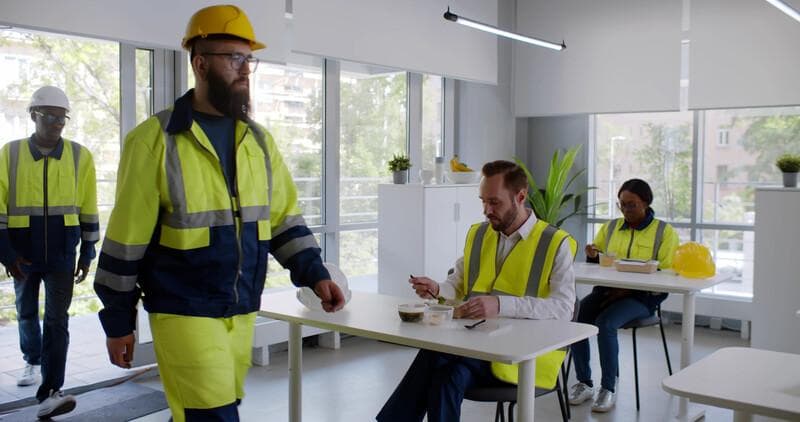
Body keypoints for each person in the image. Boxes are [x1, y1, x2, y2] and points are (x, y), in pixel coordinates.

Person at [93, 5, 345, 421]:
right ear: (200, 64)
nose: (245, 70)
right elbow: (126, 240)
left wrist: (316, 274)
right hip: (183, 309)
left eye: (249, 59)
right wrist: (119, 320)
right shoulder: (154, 141)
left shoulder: (259, 142)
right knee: (214, 416)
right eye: (235, 58)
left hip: (242, 307)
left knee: (205, 412)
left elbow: (284, 221)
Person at [377, 160, 577, 422]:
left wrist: (501, 305)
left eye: (495, 202)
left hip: (525, 356)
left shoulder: (555, 243)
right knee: (447, 376)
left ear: (520, 197)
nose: (486, 210)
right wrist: (437, 289)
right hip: (475, 345)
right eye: (483, 201)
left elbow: (564, 308)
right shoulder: (479, 234)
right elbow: (458, 284)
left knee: (435, 354)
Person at [0, 85, 99, 418]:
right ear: (33, 115)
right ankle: (32, 360)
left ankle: (51, 390)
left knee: (57, 320)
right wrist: (6, 252)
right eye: (50, 116)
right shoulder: (9, 154)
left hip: (61, 253)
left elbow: (88, 205)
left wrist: (88, 251)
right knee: (26, 311)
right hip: (22, 253)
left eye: (62, 118)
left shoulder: (79, 155)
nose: (57, 123)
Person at [568, 178, 679, 412]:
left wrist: (626, 289)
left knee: (605, 323)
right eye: (622, 205)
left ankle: (608, 388)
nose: (626, 210)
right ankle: (584, 383)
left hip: (642, 298)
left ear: (646, 203)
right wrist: (592, 254)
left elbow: (665, 273)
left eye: (632, 204)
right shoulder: (609, 228)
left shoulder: (664, 232)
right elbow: (598, 263)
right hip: (606, 292)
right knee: (577, 319)